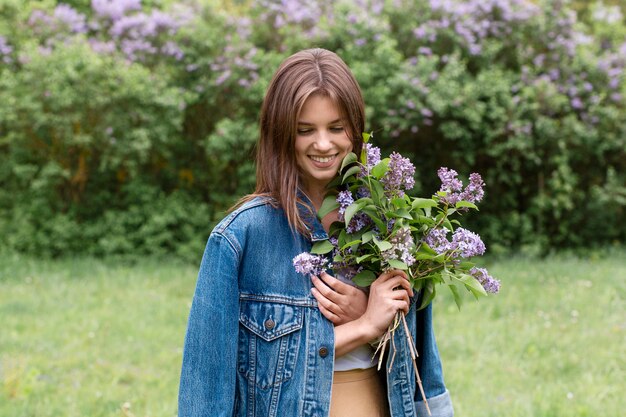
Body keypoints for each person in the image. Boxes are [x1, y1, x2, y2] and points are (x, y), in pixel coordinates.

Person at [178, 48, 454, 417]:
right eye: (305, 130)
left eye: (336, 128)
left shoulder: (393, 227)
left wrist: (371, 317)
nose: (323, 144)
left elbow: (422, 370)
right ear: (281, 134)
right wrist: (364, 325)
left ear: (355, 131)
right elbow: (206, 388)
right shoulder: (239, 238)